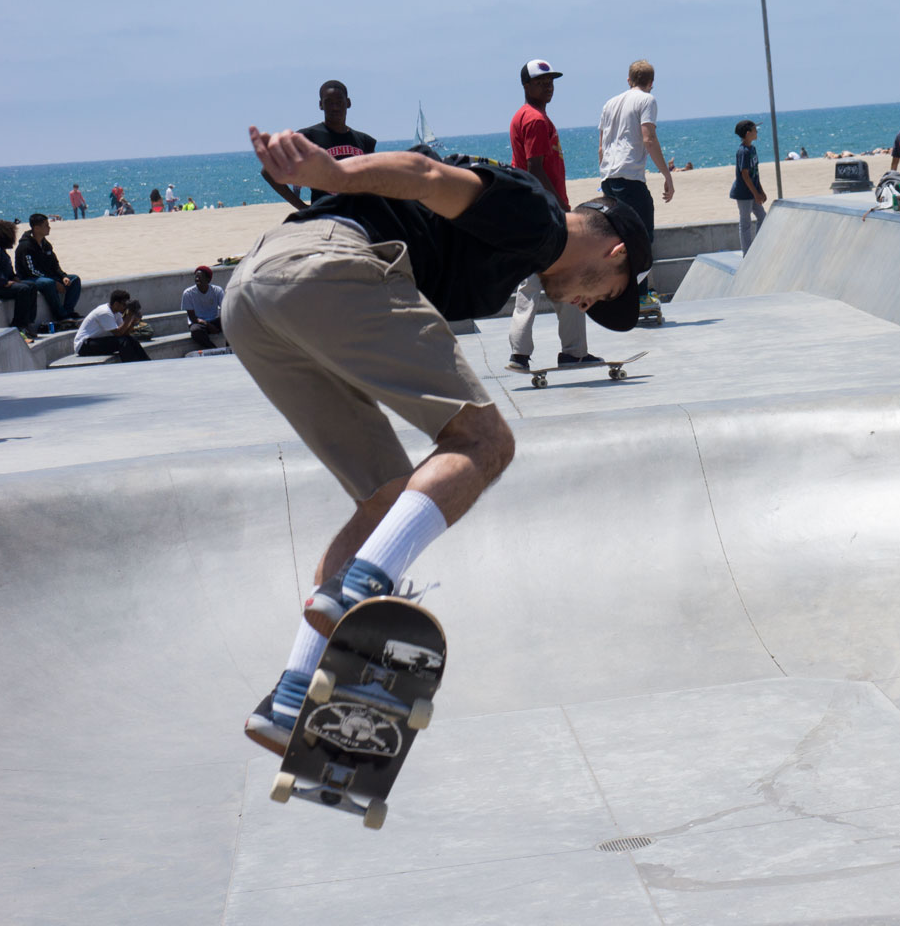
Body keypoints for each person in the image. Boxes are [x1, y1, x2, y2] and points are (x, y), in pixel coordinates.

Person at [229, 124, 652, 755]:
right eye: (606, 295)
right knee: (485, 441)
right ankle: (363, 586)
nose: (588, 305)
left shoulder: (511, 260)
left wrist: (334, 188)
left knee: (385, 500)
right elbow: (428, 178)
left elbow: (404, 209)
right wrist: (336, 175)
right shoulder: (540, 217)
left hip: (254, 297)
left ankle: (292, 696)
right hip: (325, 265)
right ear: (615, 252)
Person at [507, 59, 598, 371]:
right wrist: (560, 206)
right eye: (541, 81)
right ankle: (571, 352)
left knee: (546, 279)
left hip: (530, 211)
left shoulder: (527, 116)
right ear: (527, 86)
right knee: (561, 277)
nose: (549, 86)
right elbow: (535, 168)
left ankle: (524, 353)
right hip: (544, 213)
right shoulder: (534, 120)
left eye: (551, 81)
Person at [597, 59, 674, 313]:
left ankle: (622, 292)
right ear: (651, 83)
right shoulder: (647, 100)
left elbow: (602, 147)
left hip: (608, 178)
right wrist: (667, 175)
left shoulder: (609, 104)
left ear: (628, 80)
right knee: (641, 237)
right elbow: (648, 138)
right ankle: (639, 296)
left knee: (619, 238)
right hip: (630, 179)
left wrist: (605, 178)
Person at [262, 79, 377, 209]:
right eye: (329, 102)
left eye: (339, 101)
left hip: (357, 218)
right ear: (321, 105)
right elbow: (268, 171)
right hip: (324, 218)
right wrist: (302, 207)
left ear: (348, 103)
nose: (335, 107)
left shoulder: (365, 141)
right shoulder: (307, 137)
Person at [14, 213, 83, 322]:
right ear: (36, 228)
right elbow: (31, 270)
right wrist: (54, 282)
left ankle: (68, 311)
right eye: (46, 225)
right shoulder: (25, 246)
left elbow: (55, 264)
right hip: (29, 278)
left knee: (74, 279)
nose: (49, 227)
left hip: (47, 276)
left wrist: (63, 276)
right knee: (48, 283)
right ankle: (61, 315)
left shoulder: (46, 244)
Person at [73, 290, 150, 362]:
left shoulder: (117, 313)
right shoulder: (105, 312)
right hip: (83, 345)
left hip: (94, 341)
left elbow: (125, 333)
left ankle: (146, 362)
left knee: (130, 339)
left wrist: (133, 321)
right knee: (122, 342)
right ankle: (130, 364)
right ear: (116, 304)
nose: (126, 307)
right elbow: (118, 333)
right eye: (124, 304)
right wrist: (129, 317)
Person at [0, 219, 40, 340]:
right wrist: (4, 282)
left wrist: (14, 277)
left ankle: (28, 323)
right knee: (23, 290)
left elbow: (6, 269)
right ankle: (18, 325)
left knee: (31, 286)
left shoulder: (1, 250)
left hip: (1, 284)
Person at [730, 120, 766, 254]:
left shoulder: (752, 149)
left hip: (753, 191)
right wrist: (755, 194)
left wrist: (760, 190)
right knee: (745, 223)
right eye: (755, 130)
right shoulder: (743, 151)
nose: (757, 132)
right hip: (744, 193)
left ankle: (757, 248)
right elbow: (745, 174)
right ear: (748, 133)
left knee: (762, 217)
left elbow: (755, 172)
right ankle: (747, 253)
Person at [182, 265, 224, 348]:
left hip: (214, 320)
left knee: (231, 323)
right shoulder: (188, 293)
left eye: (200, 277)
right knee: (196, 331)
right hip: (198, 323)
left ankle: (230, 349)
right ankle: (214, 350)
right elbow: (192, 317)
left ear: (208, 279)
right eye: (196, 277)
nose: (197, 279)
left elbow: (225, 310)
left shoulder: (217, 291)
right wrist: (208, 324)